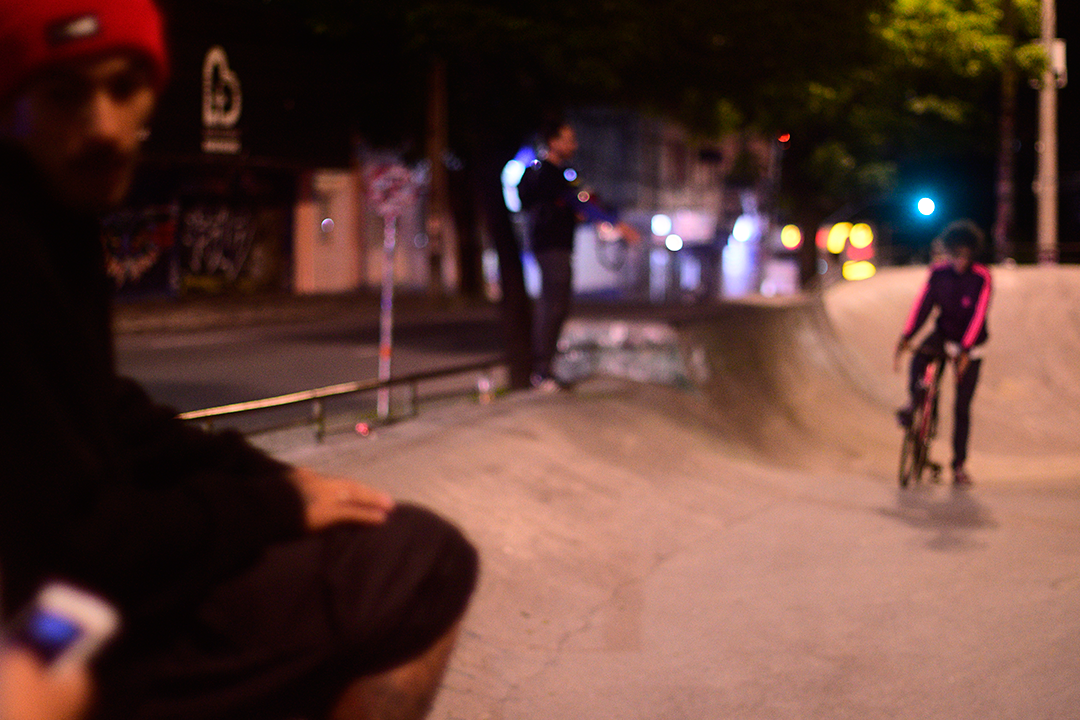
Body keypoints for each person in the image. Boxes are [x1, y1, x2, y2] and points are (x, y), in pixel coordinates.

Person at [0, 1, 478, 719]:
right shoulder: (15, 249)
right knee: (424, 562)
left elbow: (107, 411)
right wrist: (274, 508)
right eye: (64, 96)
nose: (101, 126)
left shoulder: (53, 217)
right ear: (12, 105)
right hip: (44, 620)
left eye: (123, 88)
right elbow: (82, 544)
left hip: (72, 588)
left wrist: (273, 480)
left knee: (384, 545)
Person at [517, 120, 639, 391]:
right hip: (550, 246)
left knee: (558, 305)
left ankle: (545, 370)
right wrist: (615, 224)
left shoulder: (564, 174)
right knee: (553, 306)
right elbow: (577, 201)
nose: (574, 145)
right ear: (553, 142)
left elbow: (582, 201)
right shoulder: (546, 173)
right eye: (568, 140)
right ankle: (541, 372)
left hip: (560, 245)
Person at [894, 220, 992, 486]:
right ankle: (915, 403)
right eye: (954, 254)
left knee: (962, 406)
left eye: (964, 255)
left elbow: (979, 314)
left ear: (972, 254)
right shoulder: (938, 273)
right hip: (944, 334)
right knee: (920, 357)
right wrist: (906, 336)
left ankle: (959, 465)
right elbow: (923, 305)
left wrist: (965, 350)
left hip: (971, 342)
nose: (958, 260)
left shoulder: (981, 277)